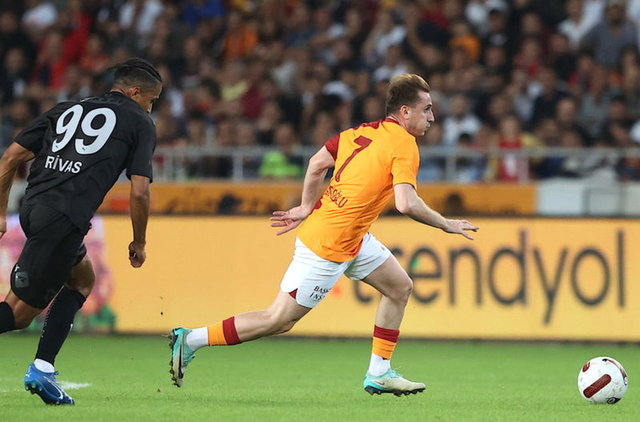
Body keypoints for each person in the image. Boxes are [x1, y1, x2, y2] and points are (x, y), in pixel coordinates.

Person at [168, 74, 478, 395]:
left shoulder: (362, 131)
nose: (432, 117)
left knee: (399, 287)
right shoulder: (404, 144)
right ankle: (191, 339)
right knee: (278, 320)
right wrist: (446, 224)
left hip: (351, 237)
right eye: (427, 109)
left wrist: (306, 206)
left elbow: (317, 163)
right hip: (329, 244)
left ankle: (379, 372)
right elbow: (406, 203)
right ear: (405, 112)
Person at [0, 57, 161, 405]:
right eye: (152, 99)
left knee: (82, 280)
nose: (151, 107)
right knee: (16, 314)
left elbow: (10, 158)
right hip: (63, 220)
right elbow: (139, 191)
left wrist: (1, 214)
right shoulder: (140, 122)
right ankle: (40, 370)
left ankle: (43, 367)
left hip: (33, 209)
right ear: (135, 92)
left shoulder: (67, 108)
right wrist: (139, 241)